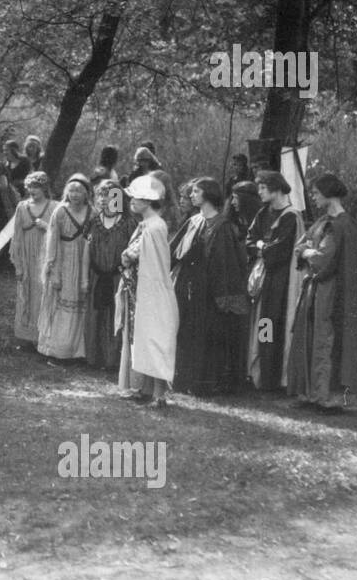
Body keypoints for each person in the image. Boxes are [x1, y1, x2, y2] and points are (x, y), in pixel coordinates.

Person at [171, 178, 250, 396]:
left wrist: (221, 298)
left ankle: (203, 384)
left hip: (210, 294)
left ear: (208, 195)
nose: (191, 195)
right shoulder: (194, 221)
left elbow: (225, 265)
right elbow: (174, 251)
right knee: (187, 334)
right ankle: (184, 379)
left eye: (196, 191)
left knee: (207, 338)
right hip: (188, 289)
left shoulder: (222, 226)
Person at [289, 174, 357, 410]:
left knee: (326, 339)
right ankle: (312, 393)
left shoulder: (341, 224)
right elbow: (301, 244)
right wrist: (307, 251)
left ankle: (325, 396)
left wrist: (309, 253)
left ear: (329, 194)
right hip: (320, 289)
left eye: (317, 192)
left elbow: (321, 259)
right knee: (313, 335)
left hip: (332, 292)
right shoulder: (323, 221)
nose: (313, 196)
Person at [117, 175, 179, 407]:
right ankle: (144, 388)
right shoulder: (147, 225)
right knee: (142, 339)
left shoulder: (154, 227)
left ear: (148, 200)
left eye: (137, 197)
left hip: (150, 291)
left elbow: (153, 263)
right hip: (139, 289)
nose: (132, 200)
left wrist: (128, 257)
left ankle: (158, 394)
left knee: (154, 338)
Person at [246, 170, 303, 392]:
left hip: (281, 282)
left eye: (262, 187)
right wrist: (261, 246)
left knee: (273, 325)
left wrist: (261, 246)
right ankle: (261, 372)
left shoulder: (290, 216)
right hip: (264, 279)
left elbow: (279, 251)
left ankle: (273, 377)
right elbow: (250, 241)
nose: (259, 191)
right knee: (263, 324)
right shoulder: (263, 212)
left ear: (276, 188)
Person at [37, 173, 94, 360]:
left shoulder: (92, 212)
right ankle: (57, 349)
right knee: (61, 304)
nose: (75, 194)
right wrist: (53, 269)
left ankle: (78, 350)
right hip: (64, 261)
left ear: (87, 193)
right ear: (66, 193)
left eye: (79, 191)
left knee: (81, 303)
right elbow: (52, 241)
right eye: (72, 191)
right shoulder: (60, 212)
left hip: (84, 262)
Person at [84, 177, 136, 371]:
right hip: (97, 276)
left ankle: (112, 360)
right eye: (101, 195)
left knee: (116, 316)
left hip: (118, 278)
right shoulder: (94, 222)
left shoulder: (128, 223)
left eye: (109, 195)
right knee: (95, 315)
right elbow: (86, 250)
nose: (104, 200)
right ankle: (94, 357)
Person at [11, 171, 54, 350]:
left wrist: (47, 227)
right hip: (27, 255)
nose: (32, 190)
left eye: (36, 187)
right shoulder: (22, 207)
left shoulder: (54, 206)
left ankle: (42, 337)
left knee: (42, 293)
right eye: (29, 187)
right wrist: (18, 264)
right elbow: (17, 236)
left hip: (45, 254)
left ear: (44, 188)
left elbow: (59, 233)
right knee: (26, 292)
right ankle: (26, 336)